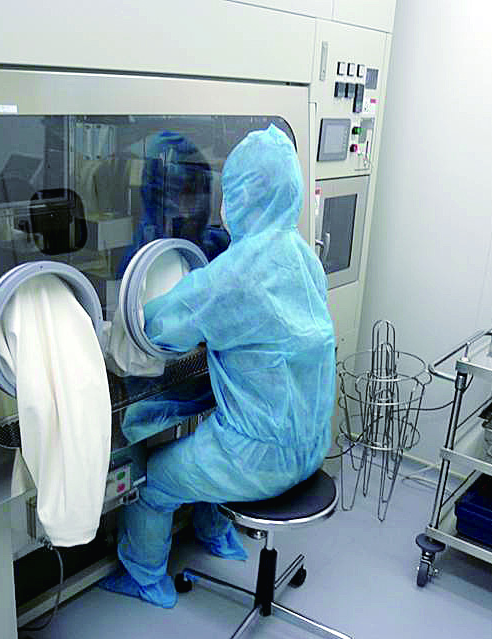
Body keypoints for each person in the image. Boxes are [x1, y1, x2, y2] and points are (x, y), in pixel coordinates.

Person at [101, 124, 335, 608]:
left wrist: (100, 333)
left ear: (240, 195)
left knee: (154, 481)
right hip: (312, 444)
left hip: (258, 461)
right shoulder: (304, 257)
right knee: (210, 435)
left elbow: (157, 327)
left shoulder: (234, 276)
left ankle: (145, 579)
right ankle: (217, 535)